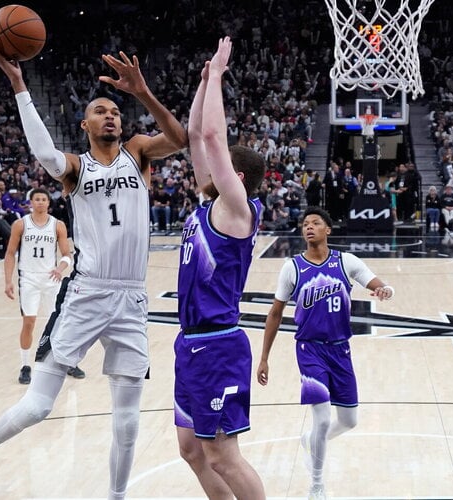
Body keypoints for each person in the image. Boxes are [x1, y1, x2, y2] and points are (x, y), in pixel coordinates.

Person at [0, 29, 187, 500]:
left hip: (132, 297)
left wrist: (142, 92)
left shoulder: (139, 152)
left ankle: (116, 496)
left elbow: (180, 138)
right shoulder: (75, 168)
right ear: (85, 124)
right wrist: (18, 83)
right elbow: (45, 154)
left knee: (128, 420)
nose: (110, 115)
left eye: (115, 111)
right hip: (88, 291)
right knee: (37, 406)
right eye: (100, 111)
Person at [174, 37, 266, 500]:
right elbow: (195, 136)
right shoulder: (207, 203)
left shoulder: (237, 209)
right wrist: (203, 81)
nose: (210, 164)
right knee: (191, 450)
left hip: (218, 345)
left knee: (222, 456)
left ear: (237, 177)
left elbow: (212, 136)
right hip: (189, 342)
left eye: (221, 164)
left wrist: (219, 78)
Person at [257, 206, 395, 500]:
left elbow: (375, 282)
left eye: (315, 223)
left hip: (340, 350)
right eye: (305, 224)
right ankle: (317, 484)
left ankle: (311, 441)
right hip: (309, 350)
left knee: (348, 421)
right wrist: (264, 357)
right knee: (320, 419)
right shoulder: (292, 267)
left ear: (327, 230)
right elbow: (275, 313)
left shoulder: (346, 262)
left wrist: (386, 290)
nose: (309, 227)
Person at [3, 187, 83, 384]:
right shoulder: (20, 224)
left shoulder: (58, 225)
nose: (40, 202)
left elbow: (66, 254)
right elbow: (10, 253)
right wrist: (8, 281)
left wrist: (60, 268)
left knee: (59, 322)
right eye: (36, 199)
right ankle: (25, 365)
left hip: (51, 279)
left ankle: (67, 362)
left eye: (43, 199)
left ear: (48, 203)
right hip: (28, 279)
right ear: (31, 202)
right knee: (29, 322)